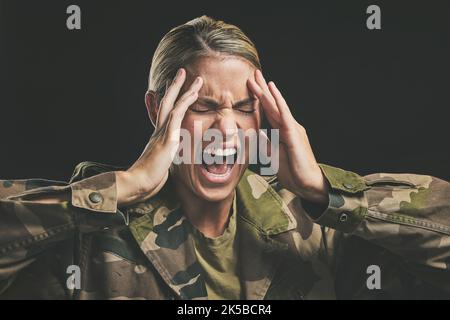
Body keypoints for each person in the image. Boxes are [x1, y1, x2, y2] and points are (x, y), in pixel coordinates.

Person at [0, 16, 449, 300]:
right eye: (204, 107)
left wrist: (325, 191)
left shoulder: (317, 230)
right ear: (158, 111)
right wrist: (125, 186)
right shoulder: (88, 236)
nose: (227, 129)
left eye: (244, 108)